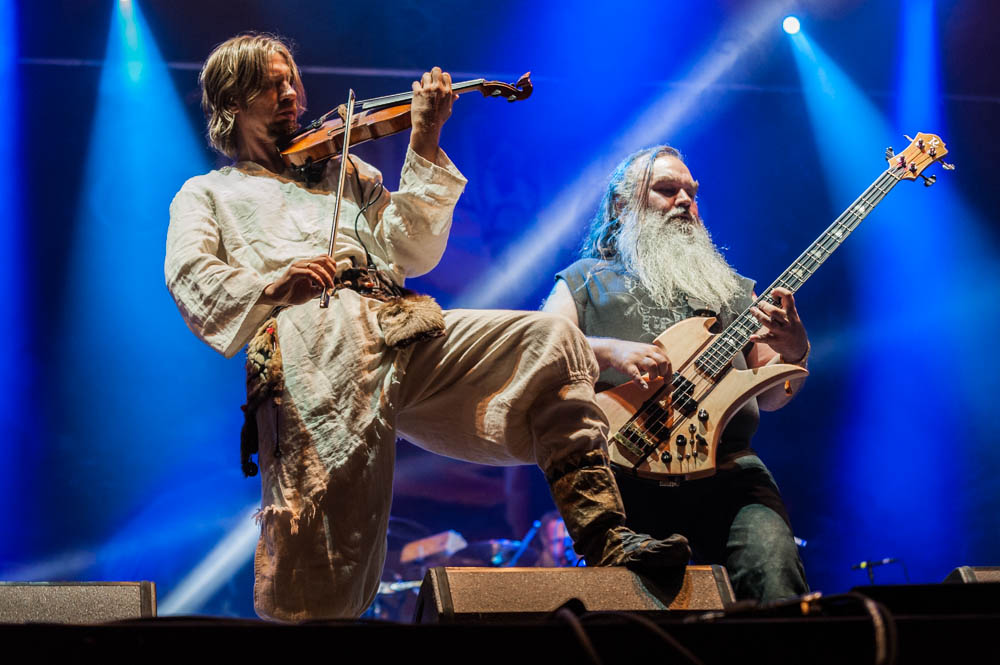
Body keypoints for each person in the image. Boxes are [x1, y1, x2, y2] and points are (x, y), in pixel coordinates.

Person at [165, 34, 688, 621]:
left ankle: (605, 537)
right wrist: (274, 287)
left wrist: (424, 138)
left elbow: (411, 249)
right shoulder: (209, 193)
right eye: (272, 83)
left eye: (293, 79)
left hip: (398, 324)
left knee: (551, 339)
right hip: (312, 347)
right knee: (326, 533)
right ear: (231, 101)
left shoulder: (344, 172)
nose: (293, 94)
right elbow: (191, 275)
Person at [542, 145, 810, 602]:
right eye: (667, 190)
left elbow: (772, 395)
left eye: (692, 192)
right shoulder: (586, 279)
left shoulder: (728, 288)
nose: (685, 200)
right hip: (626, 475)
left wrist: (794, 349)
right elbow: (540, 350)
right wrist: (609, 350)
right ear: (622, 206)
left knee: (776, 574)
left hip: (731, 472)